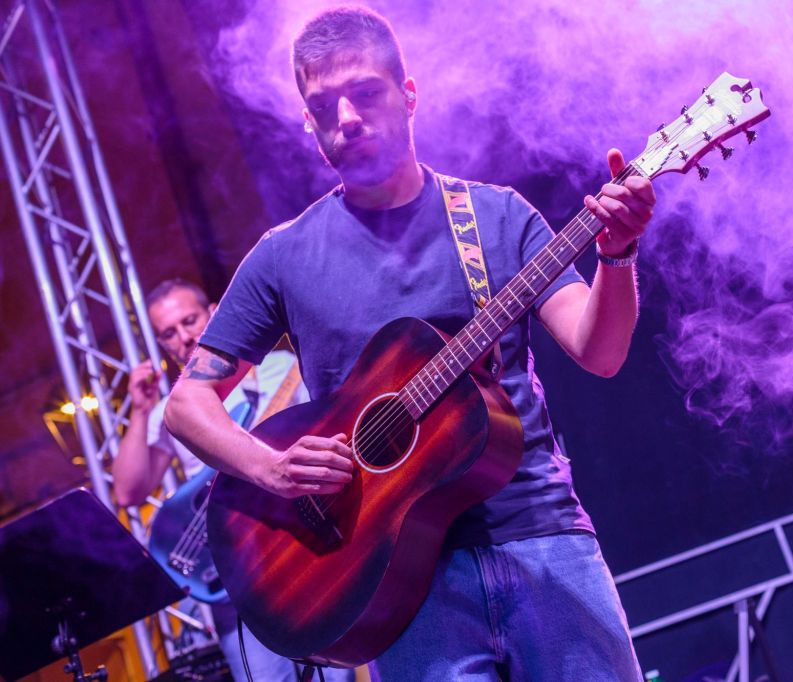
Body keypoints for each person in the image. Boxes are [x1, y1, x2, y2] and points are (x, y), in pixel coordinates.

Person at [165, 5, 656, 681]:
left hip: (539, 536)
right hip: (390, 580)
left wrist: (617, 255)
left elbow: (599, 351)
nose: (346, 118)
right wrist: (269, 468)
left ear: (409, 95)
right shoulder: (282, 257)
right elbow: (186, 404)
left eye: (365, 93)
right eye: (323, 107)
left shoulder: (495, 216)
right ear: (308, 122)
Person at [112, 278, 352, 682]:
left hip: (303, 548)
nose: (183, 337)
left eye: (190, 321)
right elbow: (127, 491)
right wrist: (138, 411)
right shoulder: (173, 407)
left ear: (214, 312)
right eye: (168, 333)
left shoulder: (282, 369)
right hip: (233, 570)